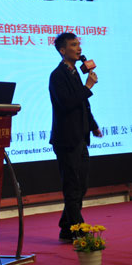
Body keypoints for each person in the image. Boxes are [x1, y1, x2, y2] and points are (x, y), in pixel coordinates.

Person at [49, 32, 102, 243]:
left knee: (81, 186)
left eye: (79, 44)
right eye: (73, 45)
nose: (78, 48)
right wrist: (87, 87)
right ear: (62, 50)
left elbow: (82, 105)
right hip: (66, 139)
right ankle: (78, 231)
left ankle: (66, 228)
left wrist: (93, 125)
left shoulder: (74, 73)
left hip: (80, 137)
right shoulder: (57, 75)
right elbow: (67, 103)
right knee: (72, 187)